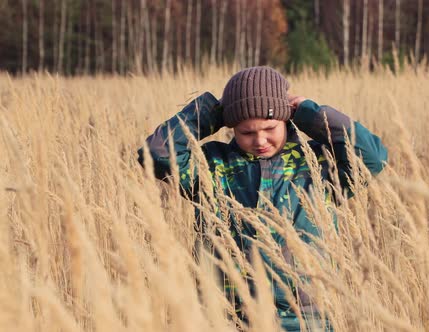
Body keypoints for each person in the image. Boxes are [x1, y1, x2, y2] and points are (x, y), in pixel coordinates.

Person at [138, 66, 388, 331]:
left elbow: (372, 157)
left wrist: (309, 113)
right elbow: (156, 154)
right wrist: (211, 112)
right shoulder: (212, 165)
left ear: (286, 119)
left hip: (305, 318)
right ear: (231, 126)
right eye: (246, 132)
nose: (260, 140)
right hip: (227, 316)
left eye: (270, 128)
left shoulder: (317, 164)